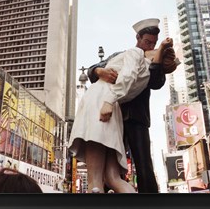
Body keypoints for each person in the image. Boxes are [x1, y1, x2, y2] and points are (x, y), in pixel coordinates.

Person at [74, 18, 176, 193]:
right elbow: (95, 68)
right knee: (109, 171)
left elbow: (156, 81)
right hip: (113, 112)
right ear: (138, 38)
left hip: (134, 117)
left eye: (154, 43)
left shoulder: (152, 62)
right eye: (147, 41)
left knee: (142, 164)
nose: (150, 46)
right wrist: (99, 71)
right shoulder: (128, 53)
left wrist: (159, 56)